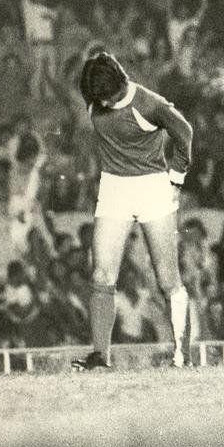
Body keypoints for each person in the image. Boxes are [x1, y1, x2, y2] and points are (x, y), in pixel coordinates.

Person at [70, 51, 193, 371]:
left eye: (105, 99)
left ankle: (183, 354)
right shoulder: (95, 97)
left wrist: (176, 179)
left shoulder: (150, 104)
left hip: (152, 187)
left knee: (167, 280)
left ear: (119, 86)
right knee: (101, 274)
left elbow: (185, 133)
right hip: (114, 188)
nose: (101, 106)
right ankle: (100, 355)